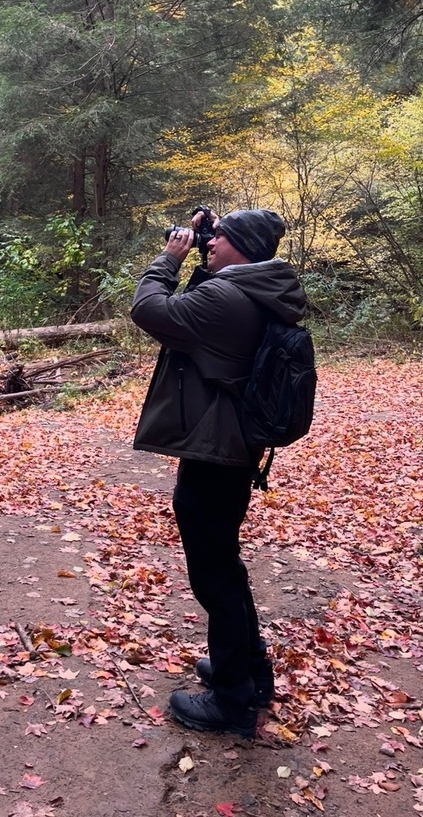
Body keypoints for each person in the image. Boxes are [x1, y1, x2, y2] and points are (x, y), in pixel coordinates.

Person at [130, 207, 308, 737]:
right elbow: (203, 302)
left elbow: (150, 310)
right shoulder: (253, 289)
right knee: (224, 565)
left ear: (244, 245)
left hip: (217, 449)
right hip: (231, 445)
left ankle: (232, 700)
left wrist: (168, 258)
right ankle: (250, 671)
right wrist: (205, 247)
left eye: (218, 238)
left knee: (215, 574)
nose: (209, 244)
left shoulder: (226, 298)